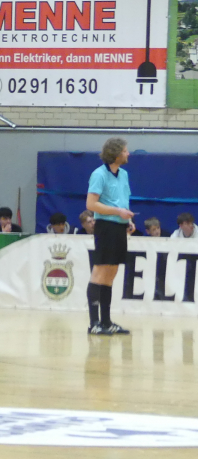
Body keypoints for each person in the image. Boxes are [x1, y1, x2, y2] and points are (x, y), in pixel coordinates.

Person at [86, 138, 133, 336]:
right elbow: (91, 204)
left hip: (120, 227)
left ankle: (106, 321)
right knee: (99, 271)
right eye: (125, 150)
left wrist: (128, 219)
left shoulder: (124, 174)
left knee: (111, 273)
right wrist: (117, 212)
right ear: (116, 153)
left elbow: (123, 201)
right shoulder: (99, 174)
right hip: (105, 226)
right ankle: (94, 323)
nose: (128, 153)